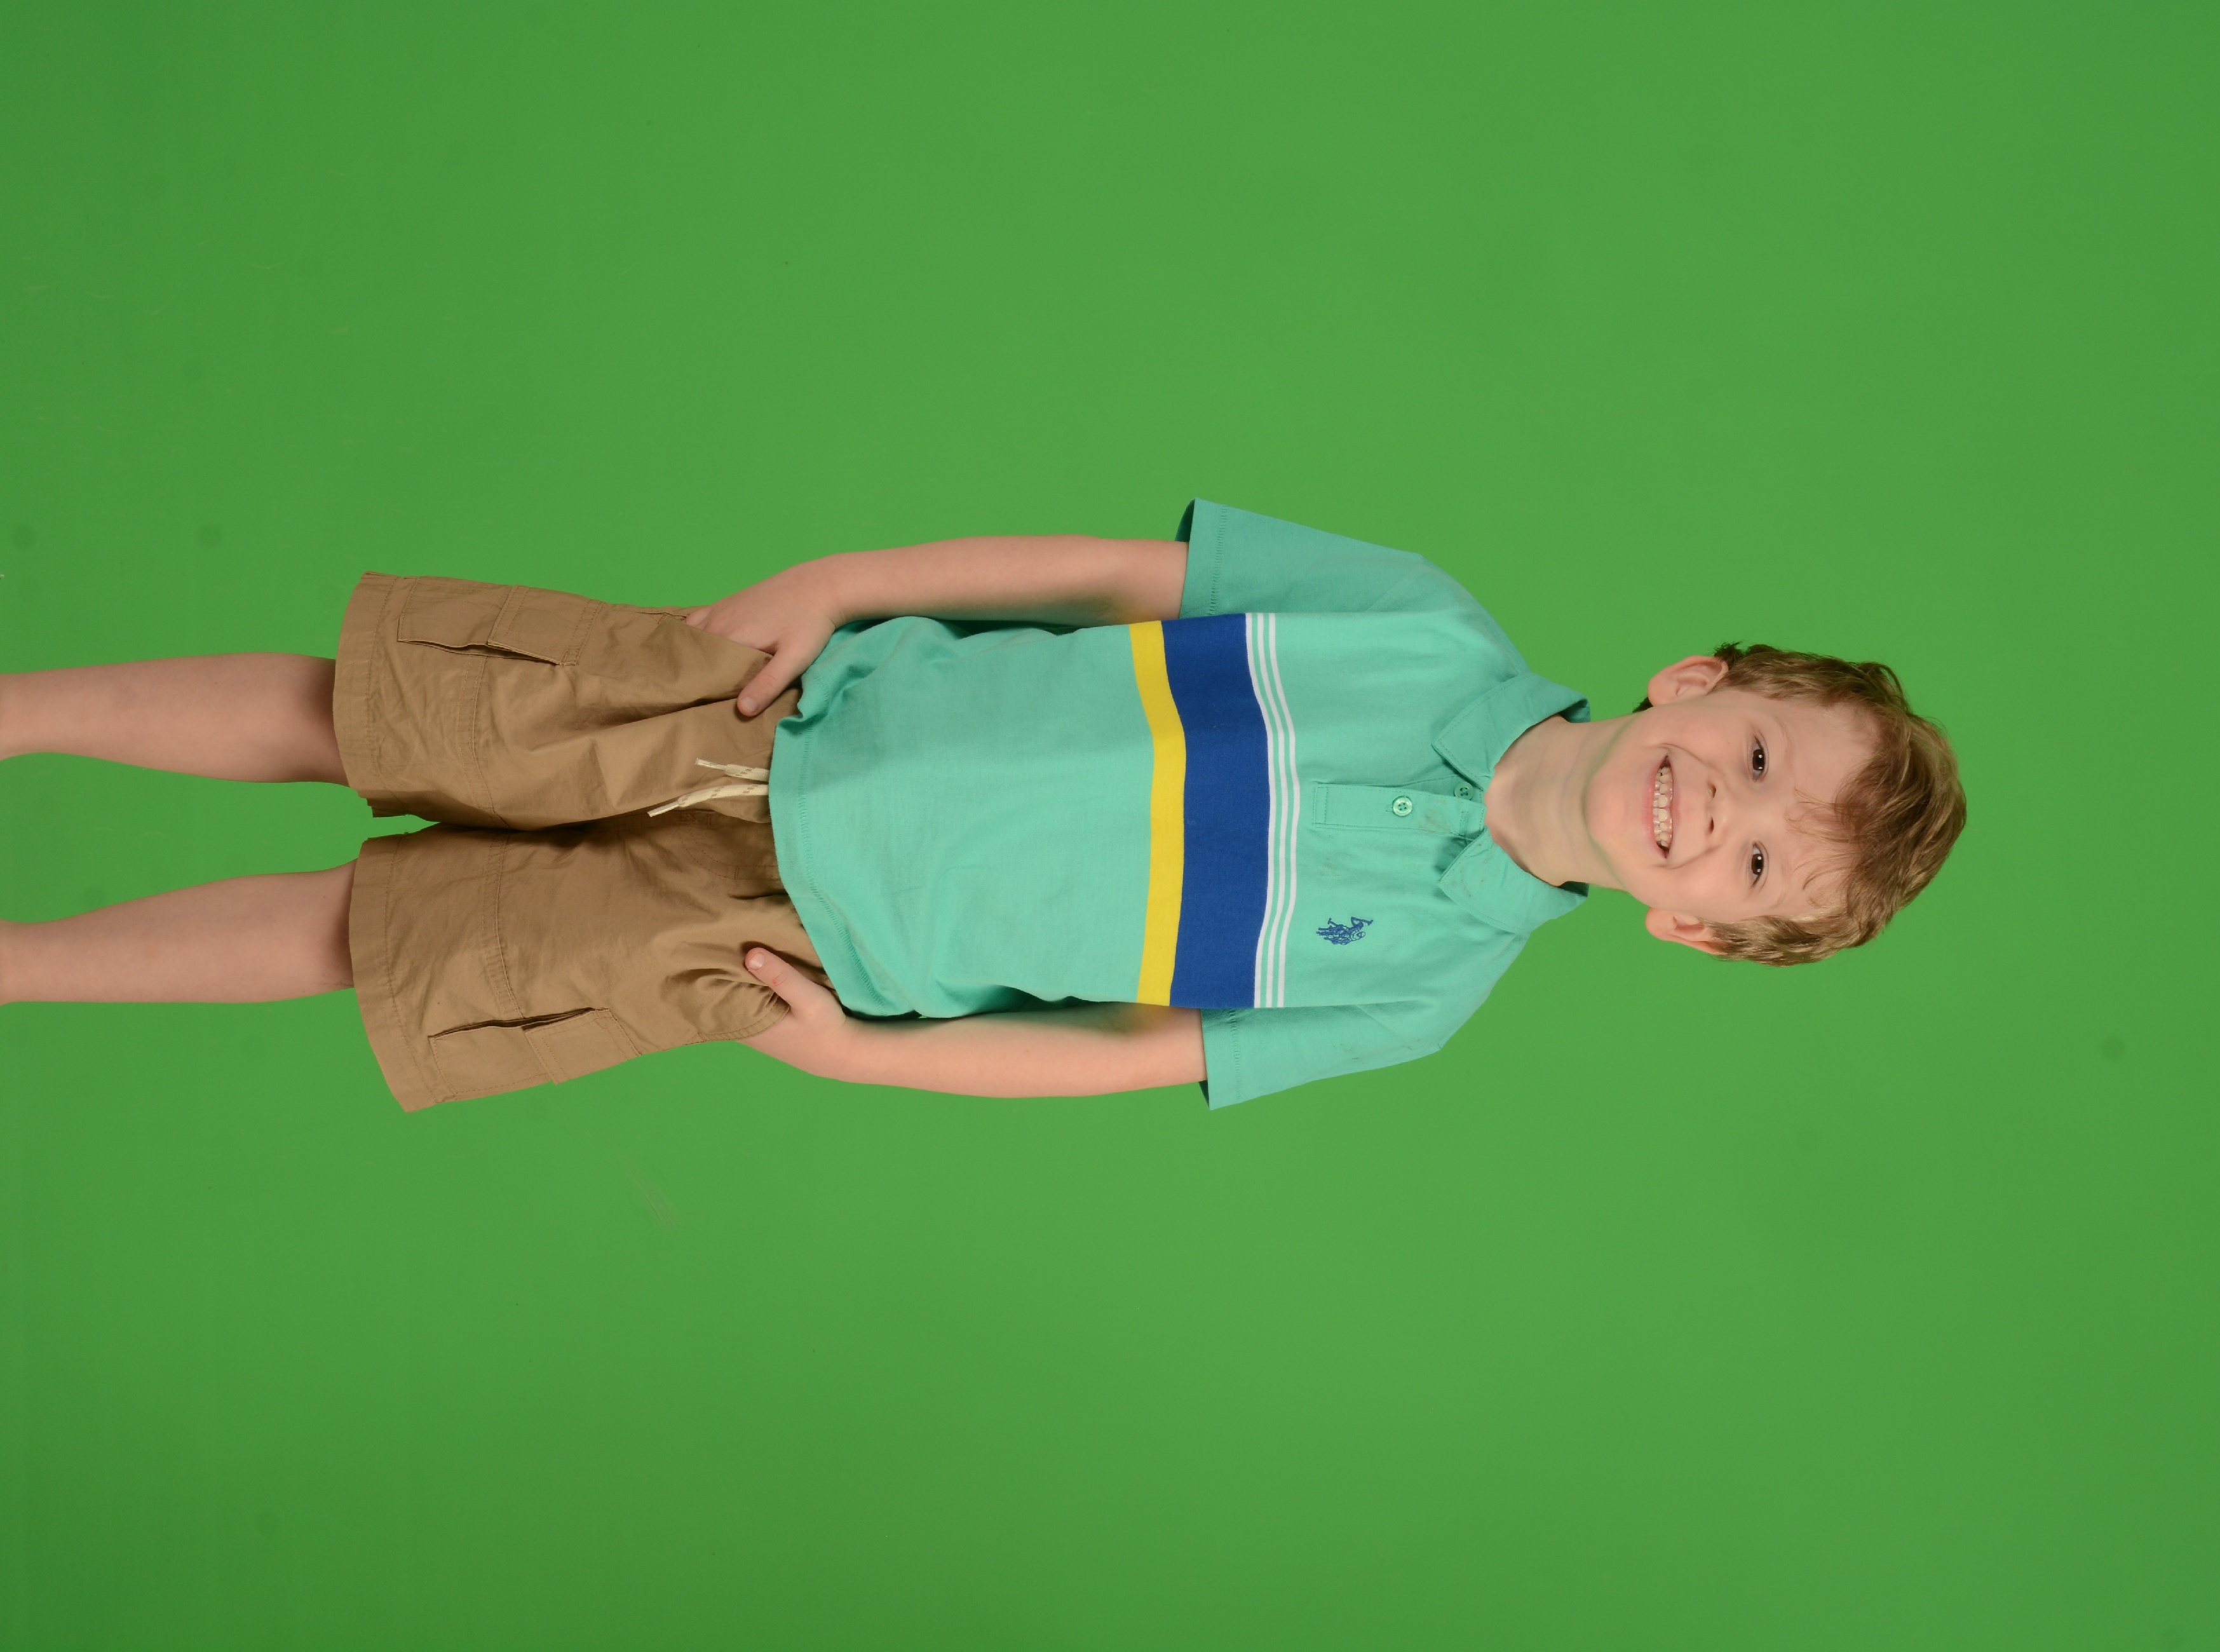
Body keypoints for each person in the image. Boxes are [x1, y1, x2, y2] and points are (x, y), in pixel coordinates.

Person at [0, 501, 1965, 1110]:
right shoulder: (1414, 622)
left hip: (787, 945)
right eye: (1757, 753)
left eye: (1755, 859)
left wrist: (862, 1055)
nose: (1714, 809)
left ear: (1695, 928)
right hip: (780, 709)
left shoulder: (1423, 988)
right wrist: (844, 585)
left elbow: (1118, 1057)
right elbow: (1104, 575)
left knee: (375, 942)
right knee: (363, 713)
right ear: (1700, 680)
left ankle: (18, 967)